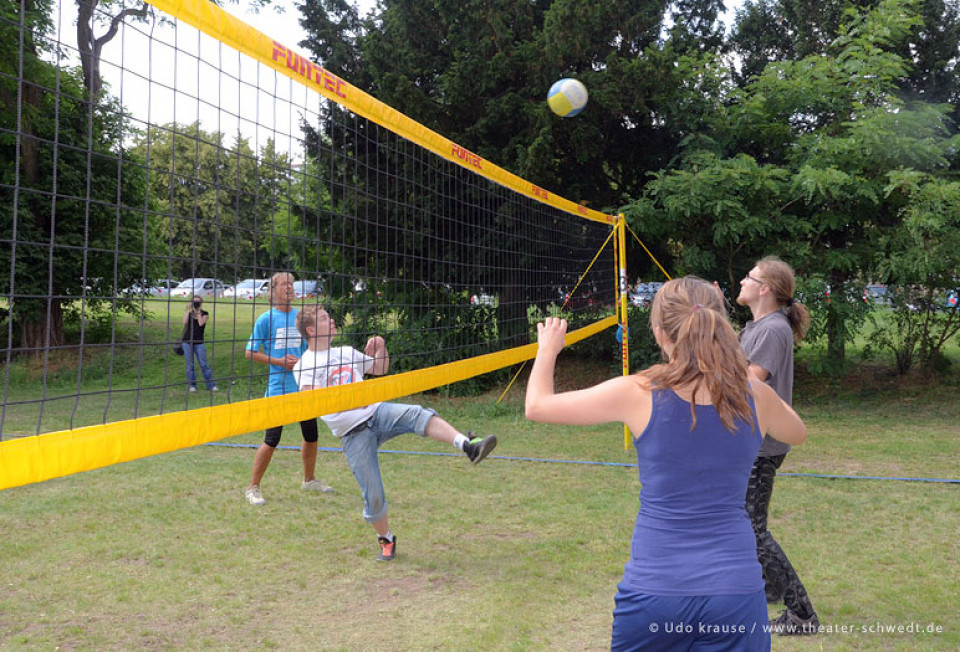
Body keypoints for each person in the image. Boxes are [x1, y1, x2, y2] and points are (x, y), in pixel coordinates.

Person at [525, 277, 807, 650]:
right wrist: (741, 378)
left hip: (655, 593)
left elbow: (537, 406)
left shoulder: (638, 391)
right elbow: (797, 432)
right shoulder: (755, 395)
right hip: (734, 594)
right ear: (720, 328)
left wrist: (547, 350)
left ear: (660, 334)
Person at [293, 304, 498, 562]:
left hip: (377, 413)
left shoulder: (345, 352)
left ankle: (469, 446)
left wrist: (381, 346)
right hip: (352, 433)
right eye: (325, 319)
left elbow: (380, 368)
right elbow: (311, 403)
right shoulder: (305, 365)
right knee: (373, 494)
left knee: (417, 414)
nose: (332, 321)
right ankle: (386, 539)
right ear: (311, 330)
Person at [735, 256, 819, 635]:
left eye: (750, 278)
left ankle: (802, 615)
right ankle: (769, 587)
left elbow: (751, 379)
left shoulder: (772, 329)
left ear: (765, 289)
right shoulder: (757, 325)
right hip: (751, 439)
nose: (742, 281)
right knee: (748, 522)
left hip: (763, 443)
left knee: (753, 528)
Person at [244, 272, 334, 506]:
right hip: (278, 389)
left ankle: (309, 480)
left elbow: (311, 348)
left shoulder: (300, 318)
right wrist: (279, 361)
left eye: (291, 284)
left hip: (303, 388)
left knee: (311, 435)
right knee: (272, 439)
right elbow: (250, 352)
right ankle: (253, 487)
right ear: (273, 291)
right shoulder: (266, 319)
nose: (289, 288)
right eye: (284, 284)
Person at [181, 296, 218, 392]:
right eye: (194, 302)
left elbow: (201, 324)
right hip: (187, 341)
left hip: (199, 342)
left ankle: (211, 385)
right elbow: (184, 322)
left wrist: (197, 312)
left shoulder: (204, 313)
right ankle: (192, 385)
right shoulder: (189, 313)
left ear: (201, 303)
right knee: (190, 365)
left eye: (198, 302)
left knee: (204, 364)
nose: (196, 304)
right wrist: (188, 310)